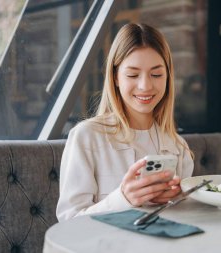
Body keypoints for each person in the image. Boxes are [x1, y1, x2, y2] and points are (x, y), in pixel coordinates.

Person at [56, 23, 194, 221]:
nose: (145, 86)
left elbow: (185, 219)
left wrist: (176, 201)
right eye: (132, 75)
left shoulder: (178, 147)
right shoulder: (87, 137)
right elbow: (69, 221)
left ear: (168, 77)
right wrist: (123, 199)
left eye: (156, 74)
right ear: (116, 78)